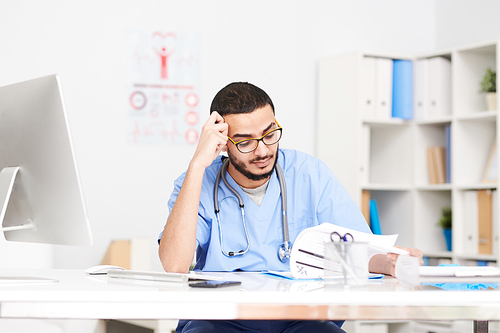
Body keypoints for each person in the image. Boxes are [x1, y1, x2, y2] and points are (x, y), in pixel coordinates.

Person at [158, 82, 423, 333]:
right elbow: (175, 265)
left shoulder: (308, 173)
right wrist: (196, 165)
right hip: (221, 318)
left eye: (269, 134)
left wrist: (389, 263)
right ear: (223, 143)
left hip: (299, 317)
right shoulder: (196, 182)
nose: (262, 151)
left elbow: (356, 249)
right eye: (246, 142)